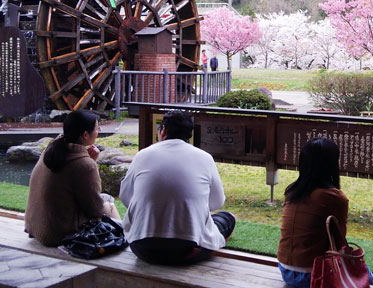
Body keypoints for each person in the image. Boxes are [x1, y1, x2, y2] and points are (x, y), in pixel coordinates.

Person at [120, 110, 235, 265]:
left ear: (164, 130)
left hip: (141, 248)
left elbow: (125, 196)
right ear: (189, 134)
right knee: (228, 218)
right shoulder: (204, 158)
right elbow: (217, 202)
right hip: (187, 251)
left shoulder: (143, 155)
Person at [277, 137, 372, 288]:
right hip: (313, 275)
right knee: (364, 271)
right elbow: (339, 244)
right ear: (332, 164)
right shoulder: (334, 197)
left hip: (285, 270)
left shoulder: (293, 191)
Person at [25, 110, 121, 247]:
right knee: (108, 204)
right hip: (58, 235)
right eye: (97, 128)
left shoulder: (52, 148)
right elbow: (95, 210)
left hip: (36, 227)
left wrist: (88, 160)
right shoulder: (84, 165)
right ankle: (123, 240)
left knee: (104, 199)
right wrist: (91, 163)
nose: (98, 131)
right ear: (85, 135)